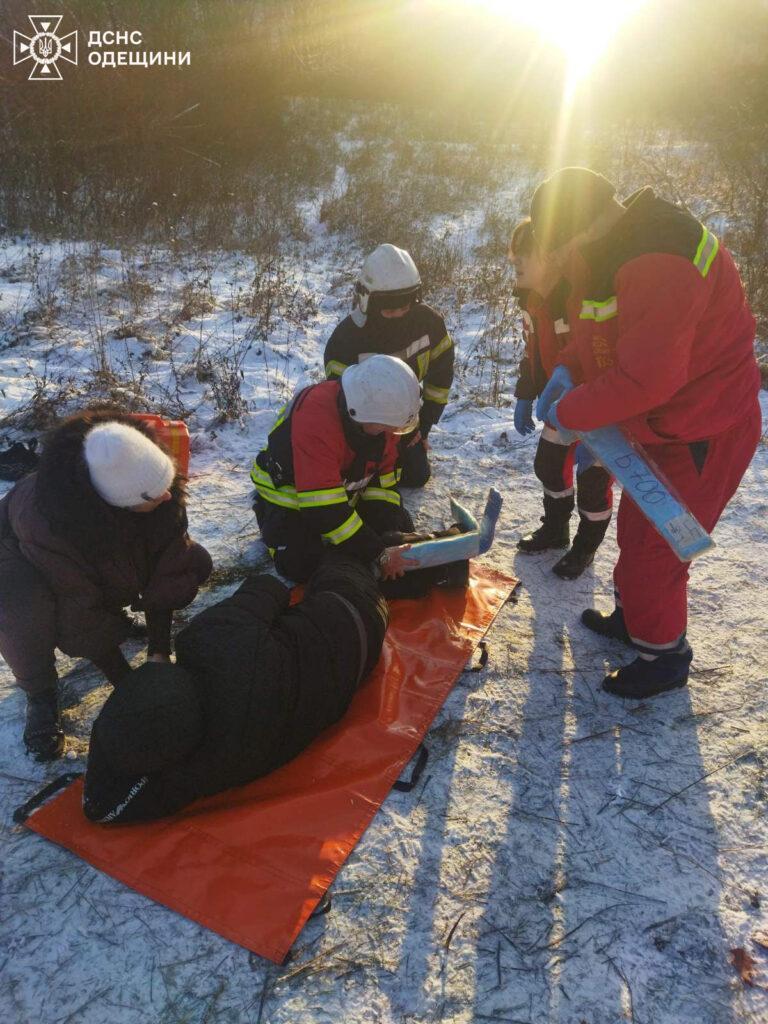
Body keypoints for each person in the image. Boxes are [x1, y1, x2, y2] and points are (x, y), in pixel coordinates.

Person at [531, 167, 761, 699]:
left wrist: (572, 409)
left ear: (579, 231)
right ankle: (635, 619)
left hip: (704, 429)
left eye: (559, 249)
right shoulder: (612, 244)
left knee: (657, 553)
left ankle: (663, 657)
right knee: (637, 533)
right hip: (667, 425)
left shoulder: (660, 261)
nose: (560, 263)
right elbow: (597, 329)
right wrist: (569, 363)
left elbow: (645, 380)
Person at [82, 554, 389, 822]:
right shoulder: (209, 640)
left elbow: (100, 808)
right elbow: (269, 588)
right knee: (341, 557)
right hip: (350, 611)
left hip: (358, 656)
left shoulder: (206, 769)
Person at [0, 409, 213, 760]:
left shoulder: (153, 480)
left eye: (167, 484)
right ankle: (39, 694)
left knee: (186, 562)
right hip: (19, 553)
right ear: (117, 502)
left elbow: (169, 565)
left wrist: (159, 653)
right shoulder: (47, 520)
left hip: (100, 536)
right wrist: (128, 686)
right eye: (152, 496)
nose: (164, 498)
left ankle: (126, 627)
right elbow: (79, 610)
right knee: (21, 612)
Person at [251, 354, 420, 583]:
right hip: (290, 494)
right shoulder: (317, 418)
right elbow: (322, 508)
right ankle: (267, 516)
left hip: (336, 491)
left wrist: (386, 528)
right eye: (387, 427)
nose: (392, 434)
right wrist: (378, 554)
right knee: (301, 564)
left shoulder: (382, 419)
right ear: (361, 415)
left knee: (392, 532)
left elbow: (384, 479)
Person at [510, 218, 613, 578]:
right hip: (559, 404)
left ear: (552, 257)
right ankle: (556, 530)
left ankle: (586, 545)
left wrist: (598, 419)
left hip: (599, 405)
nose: (515, 260)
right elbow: (532, 350)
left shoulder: (581, 294)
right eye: (513, 253)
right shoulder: (531, 299)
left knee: (593, 482)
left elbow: (603, 352)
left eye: (524, 253)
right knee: (549, 466)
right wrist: (526, 391)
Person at [324, 244, 455, 488]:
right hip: (363, 429)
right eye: (390, 309)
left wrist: (422, 427)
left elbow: (440, 378)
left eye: (405, 306)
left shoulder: (430, 324)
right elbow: (339, 404)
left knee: (416, 476)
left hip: (402, 423)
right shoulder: (346, 339)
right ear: (368, 300)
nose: (399, 315)